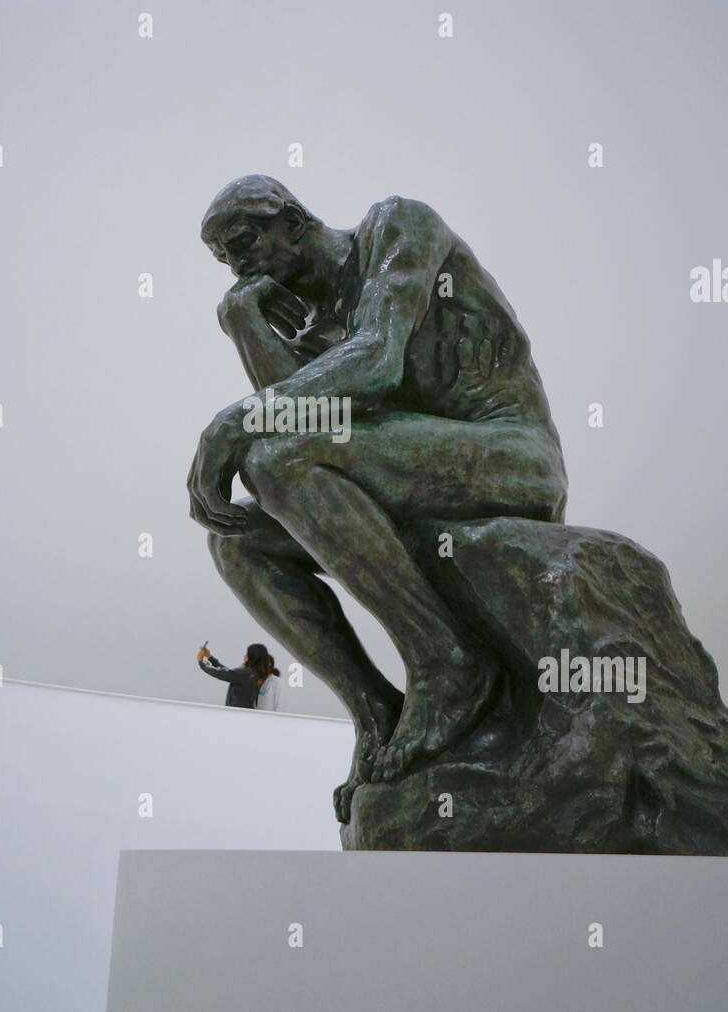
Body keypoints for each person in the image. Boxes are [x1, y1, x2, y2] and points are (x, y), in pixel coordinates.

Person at [188, 175, 569, 821]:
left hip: (507, 453)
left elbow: (376, 362)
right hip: (408, 471)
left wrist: (230, 423)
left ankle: (446, 663)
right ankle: (376, 712)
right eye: (223, 258)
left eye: (244, 240)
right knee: (236, 539)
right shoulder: (308, 322)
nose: (237, 263)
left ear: (291, 217)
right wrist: (241, 320)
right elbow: (302, 415)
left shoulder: (396, 226)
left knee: (274, 457)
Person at [196, 641, 280, 710]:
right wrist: (210, 657)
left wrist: (201, 662)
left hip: (237, 715)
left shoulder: (246, 673)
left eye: (247, 654)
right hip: (244, 713)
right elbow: (228, 672)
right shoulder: (254, 673)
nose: (244, 656)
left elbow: (222, 673)